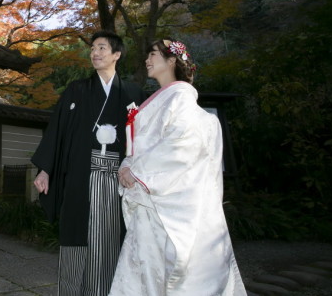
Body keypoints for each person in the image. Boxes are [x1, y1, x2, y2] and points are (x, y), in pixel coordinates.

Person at [109, 39, 246, 296]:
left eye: (153, 54)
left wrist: (136, 171)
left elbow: (182, 144)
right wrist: (128, 164)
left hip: (164, 195)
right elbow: (140, 147)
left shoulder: (180, 97)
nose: (147, 60)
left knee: (161, 266)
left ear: (172, 60)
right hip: (150, 193)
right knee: (146, 265)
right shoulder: (163, 98)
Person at [31, 30, 145, 296]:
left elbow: (144, 138)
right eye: (93, 48)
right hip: (81, 174)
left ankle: (104, 291)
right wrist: (46, 168)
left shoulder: (133, 93)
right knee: (76, 236)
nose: (95, 52)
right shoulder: (77, 90)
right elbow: (57, 129)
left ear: (117, 54)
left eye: (102, 48)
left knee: (110, 238)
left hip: (119, 176)